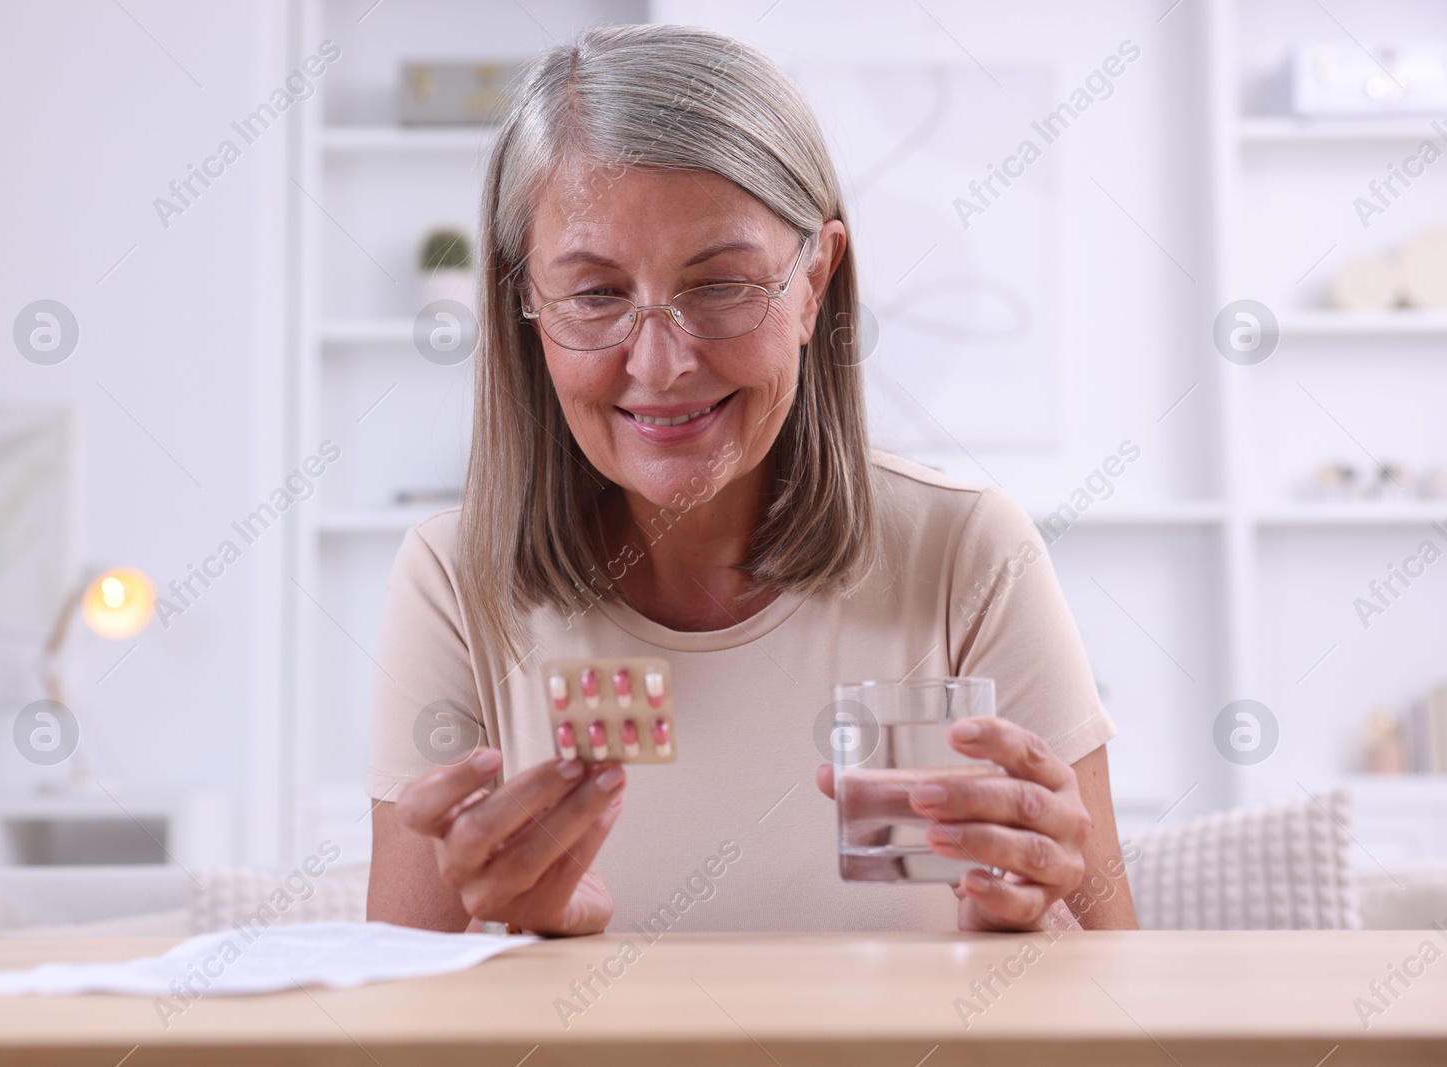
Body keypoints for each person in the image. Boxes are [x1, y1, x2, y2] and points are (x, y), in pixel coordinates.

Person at [365, 23, 1137, 936]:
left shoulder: (969, 555)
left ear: (815, 281)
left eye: (720, 285)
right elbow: (391, 1019)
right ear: (523, 305)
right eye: (596, 294)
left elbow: (1110, 988)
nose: (659, 363)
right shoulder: (454, 581)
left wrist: (1024, 927)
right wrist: (521, 947)